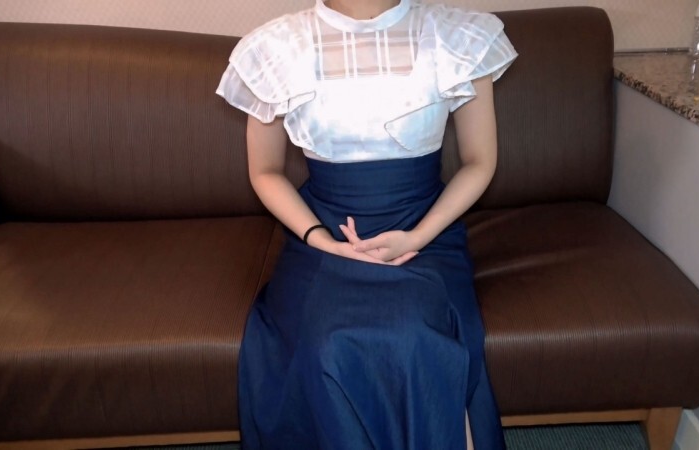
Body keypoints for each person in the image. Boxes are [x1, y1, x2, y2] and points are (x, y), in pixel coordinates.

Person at [216, 0, 517, 448]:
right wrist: (320, 239)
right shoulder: (276, 47)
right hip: (323, 232)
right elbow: (265, 171)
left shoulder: (456, 37)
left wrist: (418, 236)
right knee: (327, 341)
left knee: (418, 332)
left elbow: (480, 161)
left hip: (424, 229)